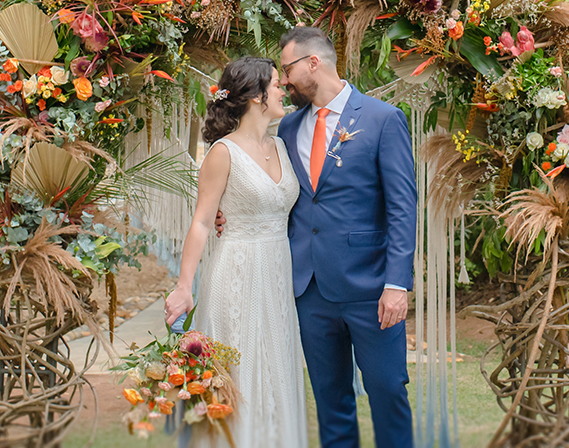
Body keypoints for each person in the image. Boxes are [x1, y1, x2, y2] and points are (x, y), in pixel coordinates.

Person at [277, 25, 417, 448]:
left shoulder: (382, 119)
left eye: (288, 69)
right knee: (330, 400)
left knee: (388, 391)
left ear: (313, 63)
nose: (284, 80)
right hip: (311, 289)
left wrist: (397, 283)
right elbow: (284, 198)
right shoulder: (287, 128)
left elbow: (402, 207)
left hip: (371, 288)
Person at [165, 56, 308, 448]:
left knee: (276, 370)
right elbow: (201, 221)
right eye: (277, 84)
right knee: (240, 373)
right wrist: (183, 286)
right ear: (257, 96)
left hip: (278, 274)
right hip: (237, 273)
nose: (283, 90)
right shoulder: (222, 153)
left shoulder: (280, 144)